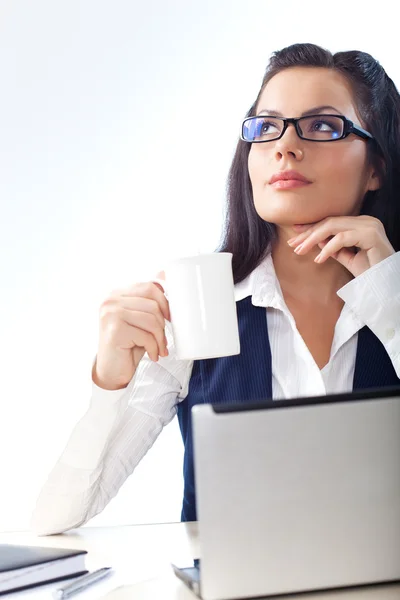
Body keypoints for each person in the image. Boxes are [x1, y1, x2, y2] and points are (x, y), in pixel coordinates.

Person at [31, 42, 400, 536]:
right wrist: (110, 381)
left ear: (376, 167)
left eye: (322, 126)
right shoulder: (196, 310)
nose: (284, 146)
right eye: (267, 126)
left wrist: (391, 299)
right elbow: (56, 519)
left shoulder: (396, 299)